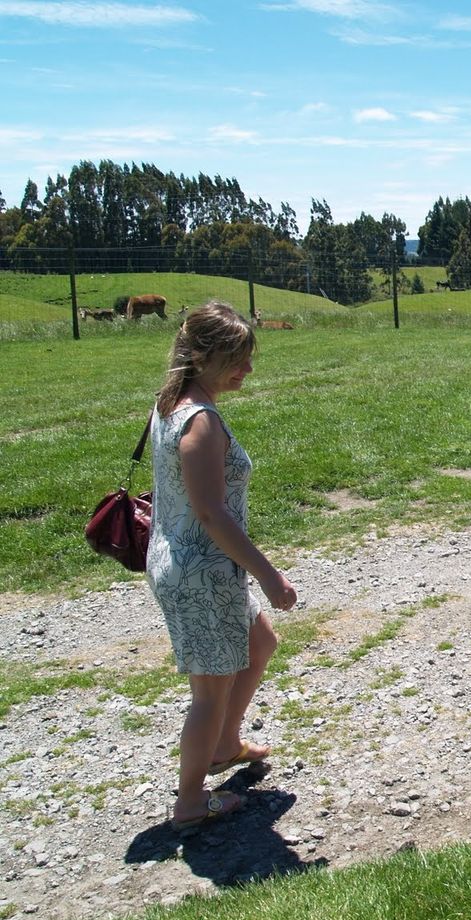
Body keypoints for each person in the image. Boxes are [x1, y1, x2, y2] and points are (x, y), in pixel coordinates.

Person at [145, 301, 297, 831]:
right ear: (202, 356)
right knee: (209, 691)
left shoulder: (170, 404)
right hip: (202, 570)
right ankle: (190, 802)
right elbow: (211, 513)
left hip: (196, 564)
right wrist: (269, 574)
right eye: (237, 358)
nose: (247, 370)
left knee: (261, 644)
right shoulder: (200, 420)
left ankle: (226, 745)